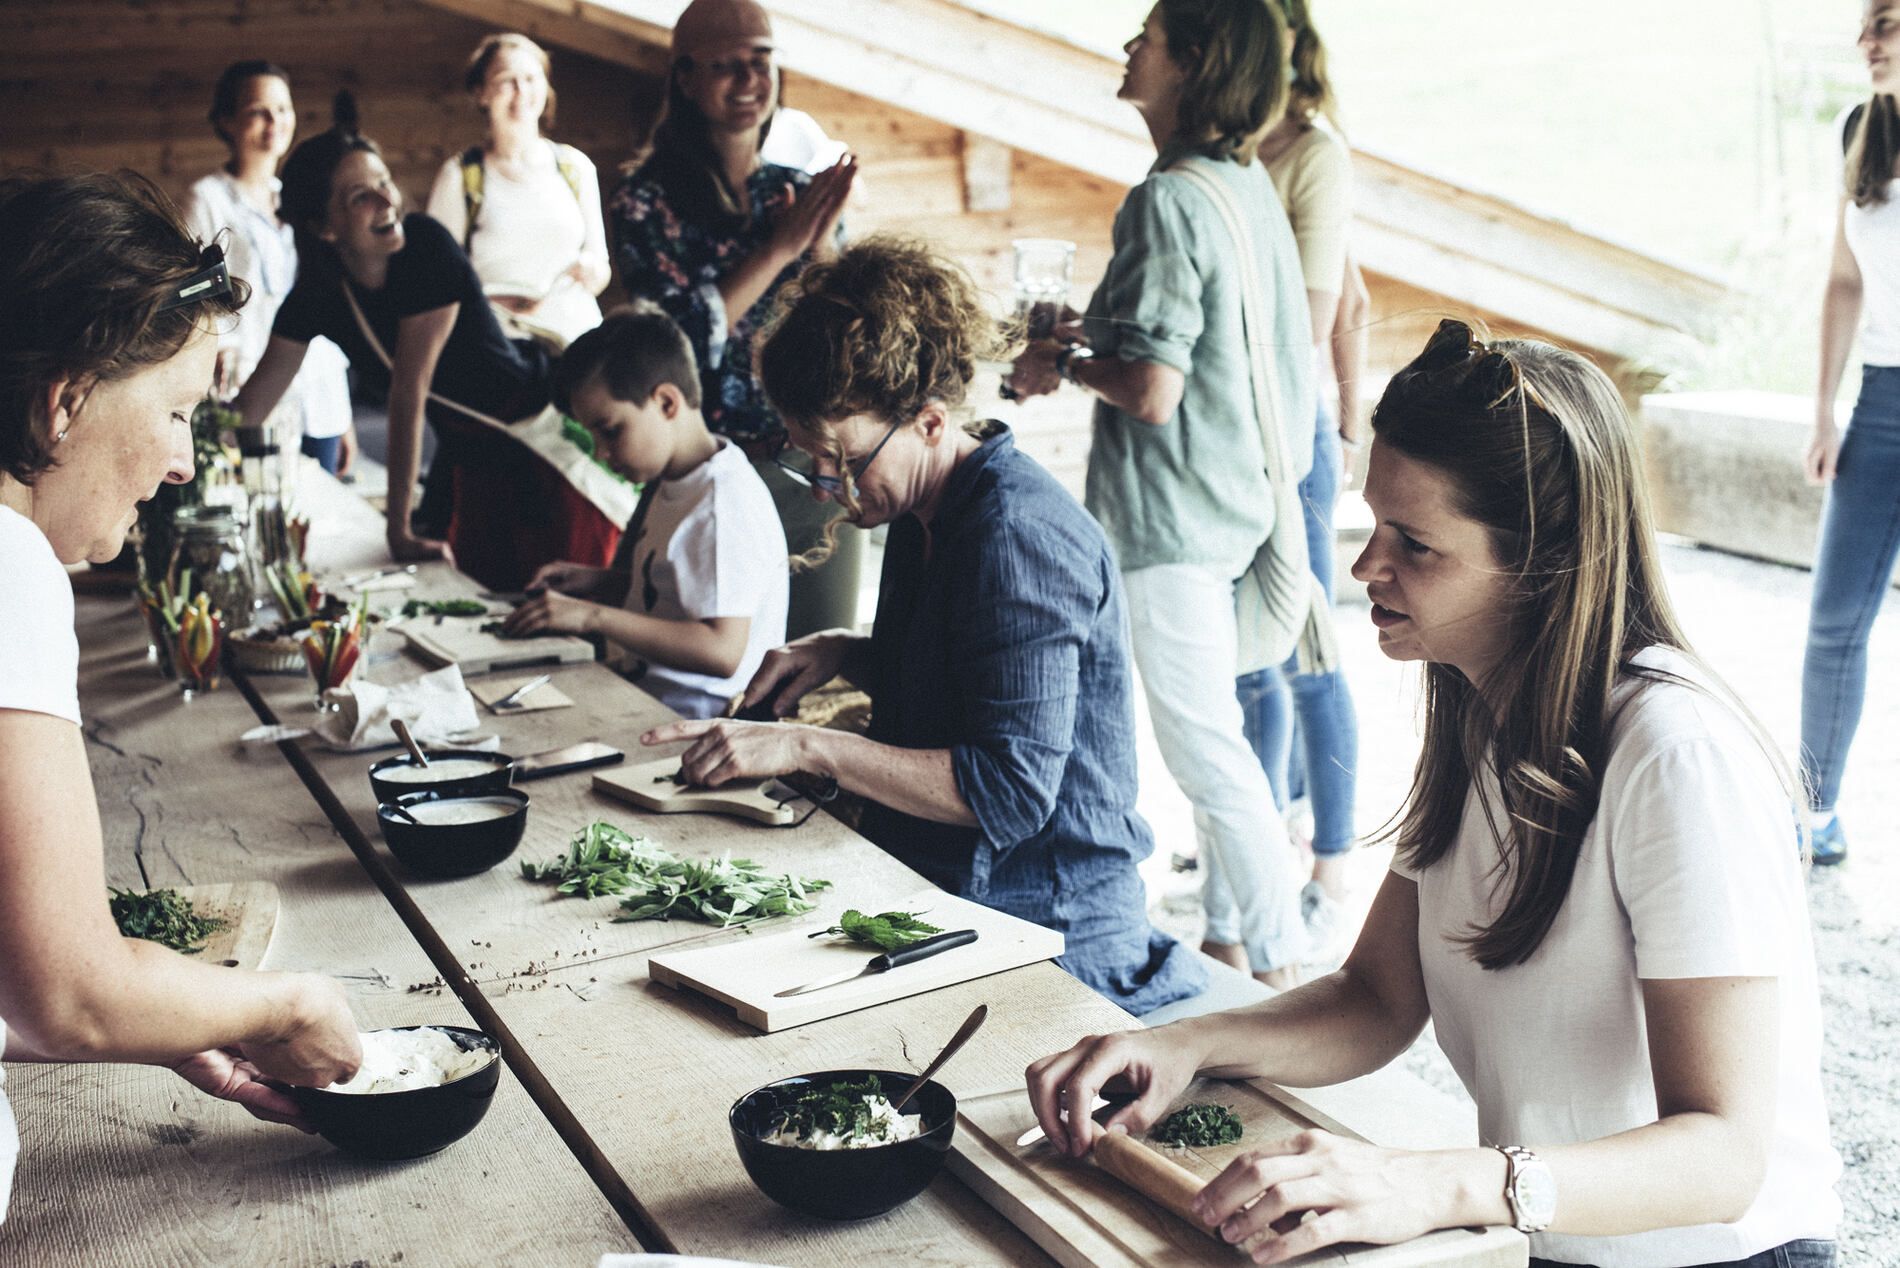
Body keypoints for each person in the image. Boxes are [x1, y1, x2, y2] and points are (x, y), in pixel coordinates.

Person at [1025, 319, 1841, 1268]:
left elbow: (1723, 1155)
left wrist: (1439, 1181)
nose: (1367, 567)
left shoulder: (1676, 755)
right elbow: (1376, 997)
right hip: (1554, 1242)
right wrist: (1187, 1044)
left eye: (1415, 544)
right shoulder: (1475, 704)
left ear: (1542, 563)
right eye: (1374, 524)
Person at [640, 237, 1205, 1017]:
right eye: (813, 462)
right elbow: (971, 676)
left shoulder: (1016, 538)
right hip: (952, 891)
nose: (831, 489)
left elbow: (1009, 793)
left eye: (842, 460)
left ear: (932, 422)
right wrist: (848, 655)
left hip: (1048, 928)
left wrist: (808, 742)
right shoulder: (922, 503)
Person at [0, 171, 363, 1221]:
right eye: (175, 410)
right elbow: (71, 994)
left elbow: (32, 987)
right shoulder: (10, 563)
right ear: (65, 400)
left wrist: (172, 1013)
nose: (179, 461)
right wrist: (284, 1000)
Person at [1009, 0, 1320, 988]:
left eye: (1148, 35)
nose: (1128, 46)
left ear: (1191, 62)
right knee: (1218, 741)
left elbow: (1151, 387)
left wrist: (1066, 359)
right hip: (1238, 499)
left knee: (1203, 751)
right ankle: (1237, 944)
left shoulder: (1167, 200)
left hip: (1170, 518)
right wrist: (1086, 339)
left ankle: (1285, 976)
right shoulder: (1240, 184)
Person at [232, 93, 629, 592]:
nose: (386, 201)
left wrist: (398, 528)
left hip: (538, 444)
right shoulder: (317, 294)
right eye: (360, 197)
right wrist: (193, 447)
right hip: (470, 459)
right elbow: (250, 409)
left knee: (554, 596)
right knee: (482, 599)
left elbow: (408, 392)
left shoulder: (425, 248)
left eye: (383, 183)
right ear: (323, 227)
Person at [609, 0, 862, 640]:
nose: (750, 82)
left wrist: (821, 243)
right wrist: (779, 248)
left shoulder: (795, 189)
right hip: (706, 479)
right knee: (702, 678)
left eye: (761, 61)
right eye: (726, 66)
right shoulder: (645, 199)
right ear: (686, 78)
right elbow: (675, 350)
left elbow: (846, 329)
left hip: (810, 472)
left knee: (812, 669)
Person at [1236, 0, 1367, 947]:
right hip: (1232, 441)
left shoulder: (1313, 152)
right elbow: (1358, 292)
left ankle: (1333, 864)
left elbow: (1317, 318)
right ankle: (1262, 838)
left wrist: (1340, 418)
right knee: (1249, 660)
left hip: (1281, 437)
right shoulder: (1229, 146)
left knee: (1307, 652)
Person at [503, 303, 788, 720]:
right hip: (643, 697)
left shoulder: (721, 504)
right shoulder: (675, 479)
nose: (601, 453)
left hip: (698, 723)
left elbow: (721, 650)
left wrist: (592, 616)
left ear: (667, 403)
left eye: (611, 430)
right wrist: (603, 582)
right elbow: (674, 594)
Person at [1799, 0, 1900, 866]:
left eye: (1889, 23)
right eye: (1865, 25)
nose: (1867, 42)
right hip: (1882, 402)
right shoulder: (1860, 132)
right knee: (1835, 618)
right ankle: (1815, 811)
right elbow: (1842, 283)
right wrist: (1824, 409)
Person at [181, 60, 354, 473]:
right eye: (258, 110)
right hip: (250, 388)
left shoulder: (299, 199)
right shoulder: (208, 200)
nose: (273, 121)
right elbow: (189, 292)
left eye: (283, 109)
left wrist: (344, 417)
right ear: (226, 120)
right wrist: (220, 344)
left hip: (319, 396)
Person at [425, 33, 611, 347]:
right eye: (506, 80)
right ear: (481, 94)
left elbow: (600, 267)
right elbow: (436, 277)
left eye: (530, 78)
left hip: (576, 343)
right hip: (495, 344)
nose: (521, 91)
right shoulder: (461, 177)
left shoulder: (575, 168)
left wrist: (592, 270)